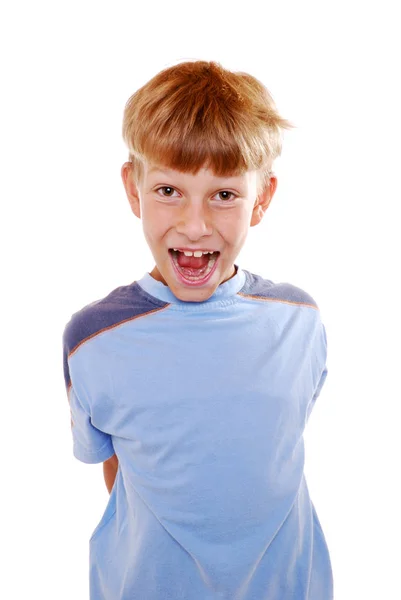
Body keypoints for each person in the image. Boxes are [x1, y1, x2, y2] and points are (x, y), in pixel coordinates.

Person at [62, 60, 333, 600]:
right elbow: (115, 467)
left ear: (262, 198)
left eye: (224, 194)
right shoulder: (93, 338)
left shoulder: (299, 320)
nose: (194, 223)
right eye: (168, 190)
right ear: (133, 189)